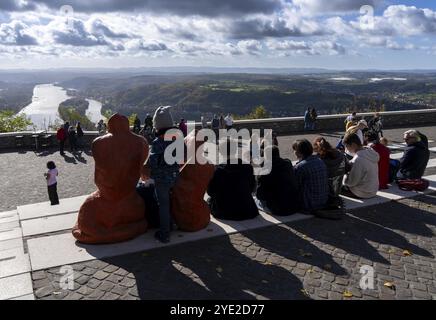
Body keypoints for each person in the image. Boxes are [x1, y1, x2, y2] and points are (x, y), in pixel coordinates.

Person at [143, 106, 179, 243]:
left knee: (163, 204)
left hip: (162, 179)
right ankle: (172, 223)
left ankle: (164, 233)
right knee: (170, 200)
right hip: (175, 176)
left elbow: (153, 163)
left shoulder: (158, 142)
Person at [207, 139, 259, 221]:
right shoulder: (248, 167)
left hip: (225, 212)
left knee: (209, 201)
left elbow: (210, 192)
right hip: (248, 210)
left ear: (221, 153)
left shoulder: (218, 171)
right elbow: (252, 188)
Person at [255, 145, 299, 216]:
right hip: (294, 206)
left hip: (278, 209)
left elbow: (260, 195)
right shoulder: (287, 163)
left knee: (256, 200)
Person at [293, 139, 329, 213]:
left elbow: (295, 186)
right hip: (323, 200)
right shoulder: (320, 161)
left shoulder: (300, 167)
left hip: (309, 205)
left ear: (298, 152)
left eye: (294, 150)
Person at [342, 133, 380, 199]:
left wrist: (344, 177)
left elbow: (351, 183)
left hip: (362, 193)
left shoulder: (358, 159)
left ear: (353, 145)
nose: (346, 149)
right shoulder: (370, 152)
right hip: (373, 190)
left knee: (334, 187)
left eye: (347, 146)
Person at [313, 137, 346, 206]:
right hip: (337, 190)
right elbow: (348, 168)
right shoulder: (340, 155)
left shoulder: (319, 162)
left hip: (325, 194)